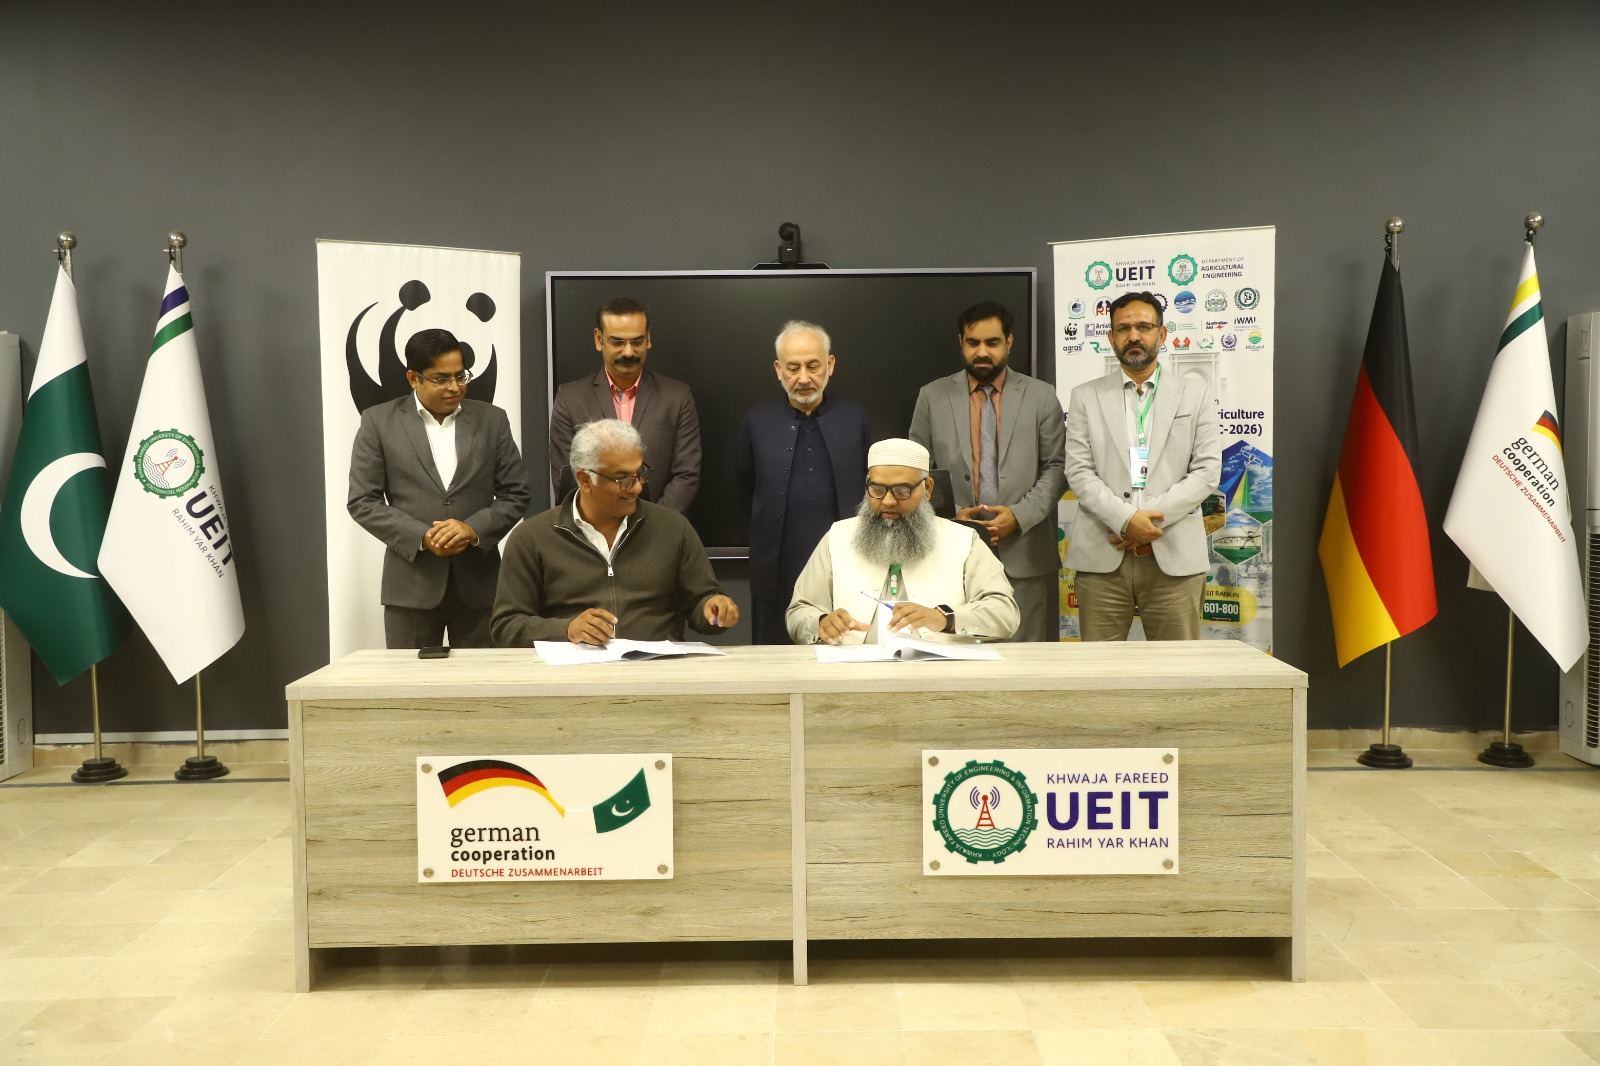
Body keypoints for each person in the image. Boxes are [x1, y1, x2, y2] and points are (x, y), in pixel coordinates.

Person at [348, 328, 531, 648]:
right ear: (413, 378)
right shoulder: (378, 422)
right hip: (410, 587)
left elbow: (516, 493)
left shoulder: (493, 420)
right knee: (410, 681)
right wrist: (422, 536)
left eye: (461, 376)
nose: (455, 387)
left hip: (480, 586)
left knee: (485, 679)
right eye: (441, 379)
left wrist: (472, 529)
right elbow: (363, 500)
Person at [492, 419, 738, 646]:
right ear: (585, 479)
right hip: (573, 672)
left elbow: (700, 602)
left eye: (639, 474)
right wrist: (566, 630)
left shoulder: (674, 528)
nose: (637, 487)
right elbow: (506, 626)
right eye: (622, 479)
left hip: (657, 669)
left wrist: (714, 609)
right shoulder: (531, 538)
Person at [1063, 291, 1221, 640]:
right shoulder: (1085, 396)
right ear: (1111, 337)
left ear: (1161, 334)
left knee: (1178, 668)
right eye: (1123, 328)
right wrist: (1125, 520)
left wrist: (1146, 521)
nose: (1134, 336)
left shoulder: (1195, 394)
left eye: (1144, 327)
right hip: (1103, 557)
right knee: (1100, 668)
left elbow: (1207, 471)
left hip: (1174, 556)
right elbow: (1078, 471)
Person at [909, 301, 1067, 641]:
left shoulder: (1041, 396)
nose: (982, 352)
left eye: (992, 342)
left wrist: (1018, 516)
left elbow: (1057, 468)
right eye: (973, 342)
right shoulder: (932, 396)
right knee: (955, 656)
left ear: (1009, 342)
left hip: (1024, 553)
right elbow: (916, 473)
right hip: (950, 553)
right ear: (961, 342)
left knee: (1024, 660)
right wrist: (952, 515)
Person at [786, 438, 1018, 644]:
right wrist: (821, 623)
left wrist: (945, 619)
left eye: (902, 491)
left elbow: (1004, 612)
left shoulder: (964, 540)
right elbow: (800, 611)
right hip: (854, 672)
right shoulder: (837, 536)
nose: (888, 501)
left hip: (941, 673)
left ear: (928, 488)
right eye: (877, 489)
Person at [736, 320, 872, 645]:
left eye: (813, 366)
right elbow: (745, 491)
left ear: (830, 365)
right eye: (793, 368)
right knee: (774, 661)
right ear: (778, 370)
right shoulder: (756, 422)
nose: (804, 378)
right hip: (776, 569)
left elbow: (871, 487)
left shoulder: (854, 418)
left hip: (845, 565)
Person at [549, 298, 701, 512]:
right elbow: (567, 478)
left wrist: (653, 524)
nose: (628, 352)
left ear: (648, 338)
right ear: (599, 339)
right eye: (617, 342)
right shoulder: (570, 399)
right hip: (593, 529)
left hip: (660, 527)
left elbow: (687, 474)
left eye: (637, 341)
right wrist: (605, 524)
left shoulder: (677, 397)